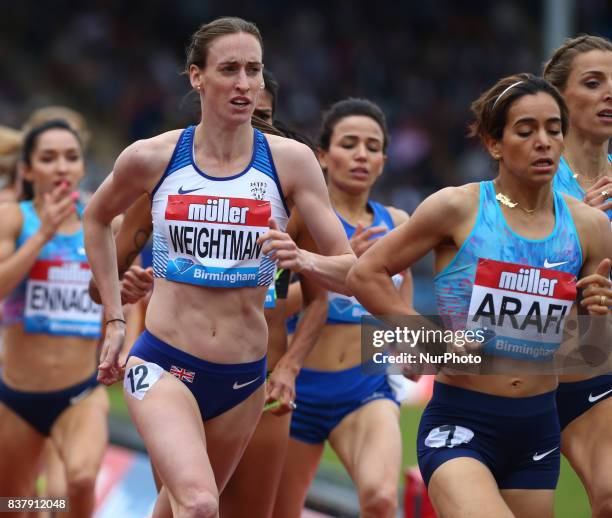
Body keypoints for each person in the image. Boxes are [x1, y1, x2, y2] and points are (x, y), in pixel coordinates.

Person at [83, 16, 354, 518]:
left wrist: (304, 258)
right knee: (200, 503)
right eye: (229, 69)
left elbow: (349, 267)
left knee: (183, 508)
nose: (244, 83)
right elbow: (97, 218)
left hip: (244, 378)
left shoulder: (291, 163)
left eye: (254, 69)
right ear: (196, 76)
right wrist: (116, 319)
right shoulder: (155, 157)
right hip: (163, 362)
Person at [347, 74, 612, 518]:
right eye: (526, 131)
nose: (543, 142)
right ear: (494, 143)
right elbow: (366, 273)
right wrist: (427, 339)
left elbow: (587, 346)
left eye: (553, 129)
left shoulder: (589, 227)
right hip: (462, 421)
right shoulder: (458, 207)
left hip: (537, 427)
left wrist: (597, 307)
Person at [272, 98, 412, 518]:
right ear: (322, 155)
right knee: (279, 511)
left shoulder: (398, 223)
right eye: (349, 144)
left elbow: (399, 310)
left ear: (384, 161)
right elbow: (272, 305)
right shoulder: (299, 219)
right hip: (297, 389)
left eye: (372, 147)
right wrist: (339, 268)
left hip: (364, 386)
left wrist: (418, 351)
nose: (361, 155)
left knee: (382, 500)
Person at [0, 119, 109, 517]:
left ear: (82, 167)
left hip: (79, 393)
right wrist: (43, 234)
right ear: (28, 170)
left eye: (71, 157)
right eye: (48, 158)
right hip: (16, 397)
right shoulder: (13, 218)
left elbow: (125, 301)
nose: (62, 167)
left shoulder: (101, 222)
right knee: (14, 505)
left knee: (80, 481)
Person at [543, 34, 612, 517]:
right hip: (523, 377)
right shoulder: (530, 177)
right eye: (594, 83)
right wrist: (574, 232)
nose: (610, 93)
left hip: (597, 372)